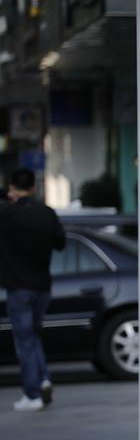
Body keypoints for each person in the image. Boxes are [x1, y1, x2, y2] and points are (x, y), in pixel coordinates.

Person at [0, 168, 66, 412]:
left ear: (12, 189)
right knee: (33, 336)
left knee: (24, 340)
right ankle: (43, 378)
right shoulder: (46, 213)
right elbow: (60, 243)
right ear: (34, 187)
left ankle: (33, 393)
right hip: (42, 286)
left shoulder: (7, 214)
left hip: (18, 287)